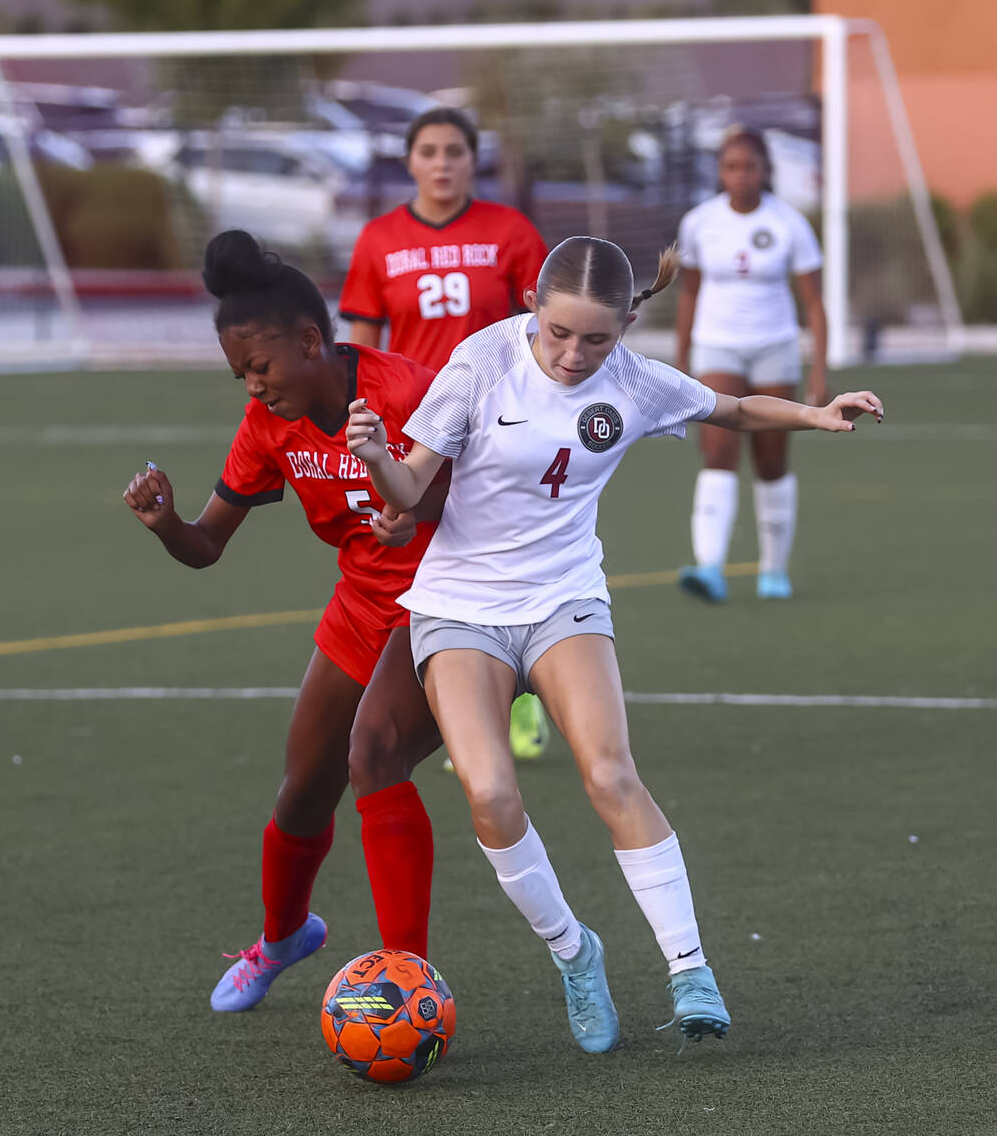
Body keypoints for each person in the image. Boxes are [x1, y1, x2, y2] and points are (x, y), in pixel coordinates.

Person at [344, 235, 883, 1052]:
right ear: (532, 303)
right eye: (560, 333)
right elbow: (411, 488)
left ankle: (690, 971)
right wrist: (381, 460)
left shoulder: (636, 381)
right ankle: (574, 951)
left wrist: (815, 412)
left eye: (597, 338)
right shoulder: (480, 363)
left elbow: (730, 409)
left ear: (628, 322)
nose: (573, 354)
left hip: (565, 599)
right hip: (460, 607)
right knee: (489, 791)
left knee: (610, 772)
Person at [123, 229, 446, 1013]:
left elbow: (486, 494)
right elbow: (206, 545)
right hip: (361, 608)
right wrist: (166, 522)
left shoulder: (410, 390)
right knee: (303, 794)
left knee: (373, 755)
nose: (253, 388)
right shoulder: (267, 425)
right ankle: (284, 938)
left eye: (259, 368)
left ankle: (409, 985)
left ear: (311, 341)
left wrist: (418, 508)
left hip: (448, 606)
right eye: (240, 374)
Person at [339, 105, 551, 761]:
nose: (441, 163)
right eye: (428, 151)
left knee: (506, 558)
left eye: (454, 150)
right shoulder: (378, 239)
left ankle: (522, 697)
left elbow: (549, 326)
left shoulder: (511, 231)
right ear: (409, 160)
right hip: (416, 428)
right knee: (431, 563)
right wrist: (359, 425)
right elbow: (358, 349)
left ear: (472, 159)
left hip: (499, 421)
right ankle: (445, 701)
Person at [675, 125, 829, 602]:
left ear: (765, 171)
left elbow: (814, 304)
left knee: (771, 457)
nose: (740, 176)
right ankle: (710, 568)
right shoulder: (700, 222)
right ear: (720, 172)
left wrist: (819, 371)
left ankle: (773, 570)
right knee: (718, 451)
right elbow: (691, 292)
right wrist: (682, 361)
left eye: (749, 166)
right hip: (717, 346)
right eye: (731, 167)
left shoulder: (789, 224)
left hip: (773, 348)